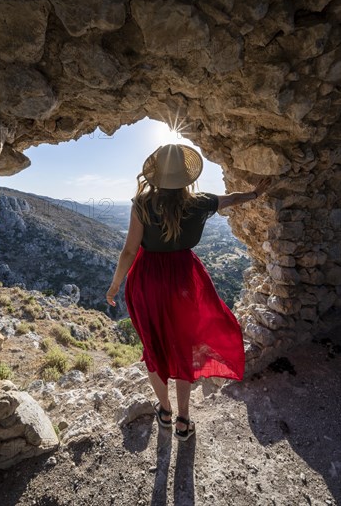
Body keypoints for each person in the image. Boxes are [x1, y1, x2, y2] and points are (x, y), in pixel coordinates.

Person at [106, 144, 271, 441]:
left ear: (155, 172)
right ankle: (184, 420)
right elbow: (231, 199)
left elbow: (130, 250)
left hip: (148, 281)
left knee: (153, 346)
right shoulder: (199, 202)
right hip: (184, 279)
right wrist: (254, 194)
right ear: (185, 175)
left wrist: (116, 283)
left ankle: (165, 412)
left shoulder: (142, 204)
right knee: (184, 346)